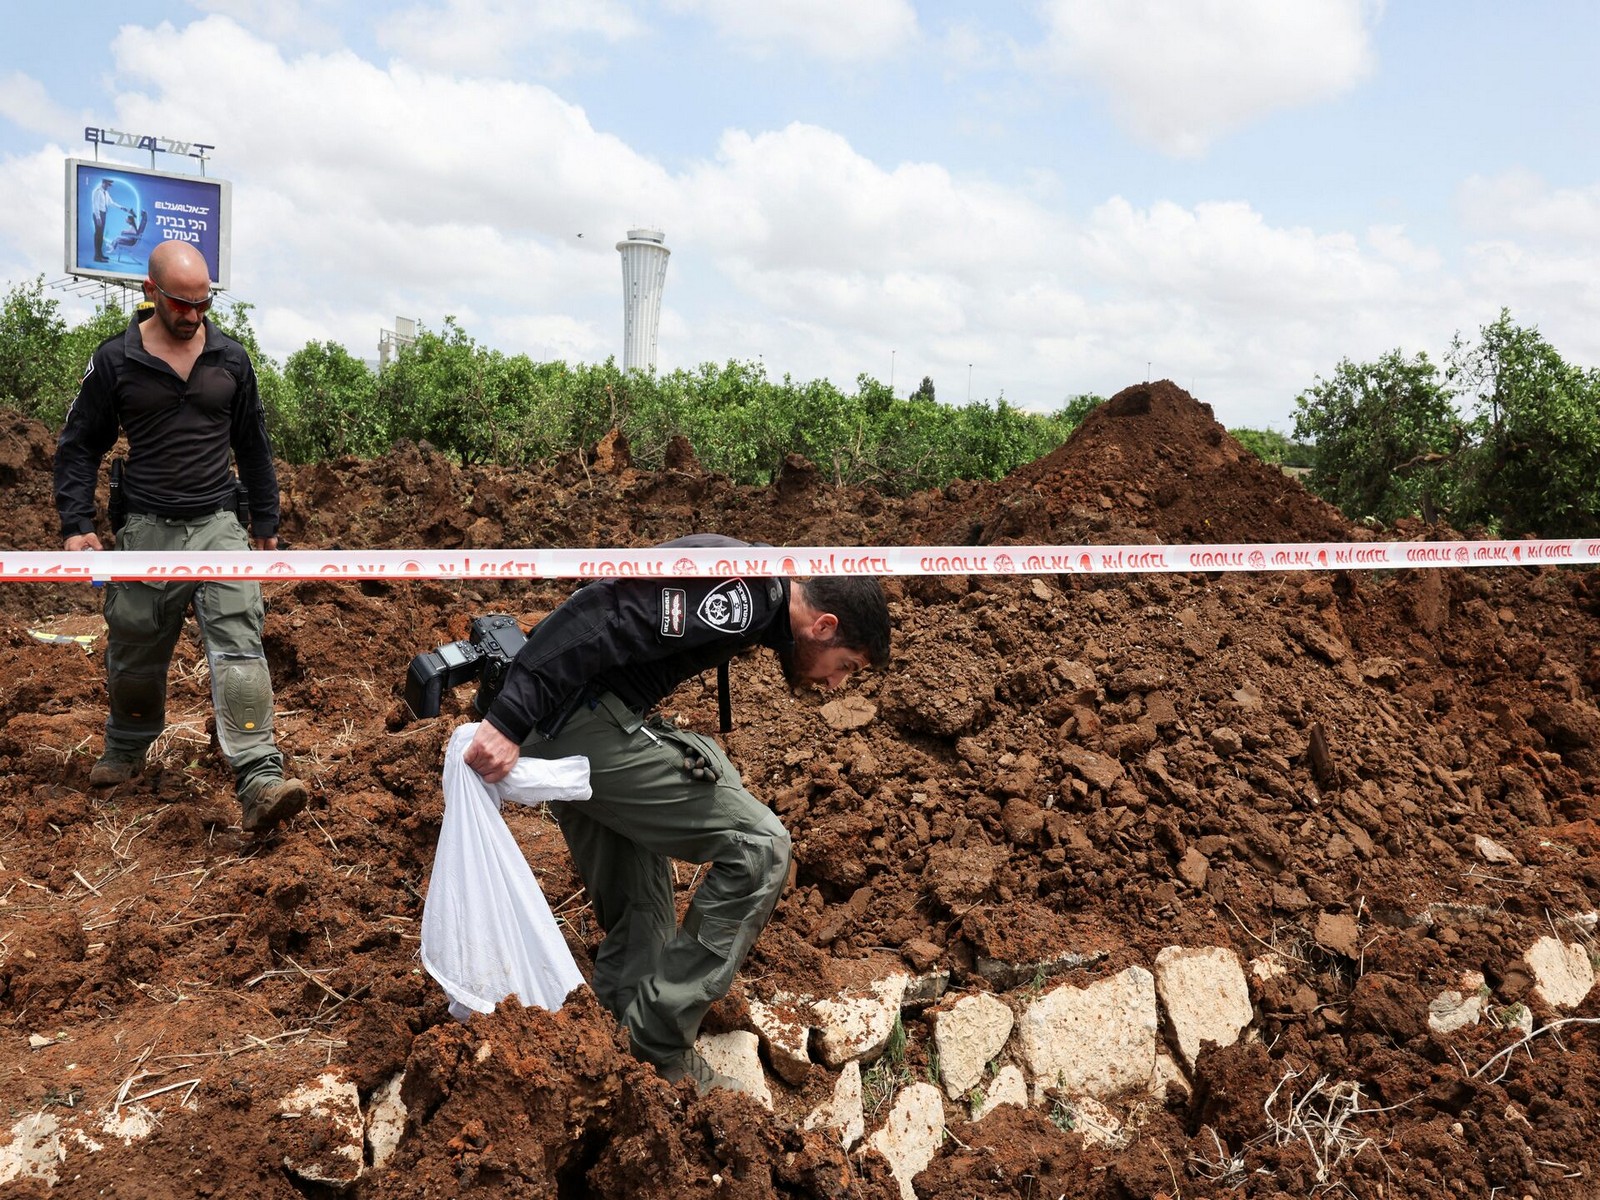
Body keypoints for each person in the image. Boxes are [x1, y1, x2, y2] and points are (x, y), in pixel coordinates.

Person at [462, 536, 891, 1093]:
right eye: (846, 666)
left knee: (644, 911)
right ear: (825, 625)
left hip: (573, 717)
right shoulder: (748, 597)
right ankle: (659, 1044)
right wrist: (509, 716)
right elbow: (604, 611)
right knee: (762, 847)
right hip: (571, 721)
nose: (835, 682)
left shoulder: (752, 578)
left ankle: (624, 1066)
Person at [54, 241, 309, 835]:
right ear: (150, 292)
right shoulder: (114, 360)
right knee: (137, 642)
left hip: (218, 522)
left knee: (239, 638)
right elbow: (78, 446)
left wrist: (265, 524)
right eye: (180, 303)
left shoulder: (231, 359)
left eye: (203, 303)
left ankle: (258, 776)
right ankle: (126, 746)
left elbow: (254, 444)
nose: (193, 315)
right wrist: (77, 525)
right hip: (145, 524)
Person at [91, 178, 126, 263]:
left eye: (109, 185)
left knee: (101, 236)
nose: (108, 187)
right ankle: (97, 256)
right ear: (103, 183)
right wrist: (98, 218)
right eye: (107, 185)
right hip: (98, 214)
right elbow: (95, 206)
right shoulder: (98, 192)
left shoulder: (106, 193)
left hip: (103, 214)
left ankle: (100, 254)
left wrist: (121, 207)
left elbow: (111, 203)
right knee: (98, 236)